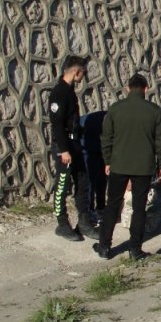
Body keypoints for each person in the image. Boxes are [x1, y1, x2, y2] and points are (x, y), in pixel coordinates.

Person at [96, 74, 161, 260]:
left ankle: (104, 246)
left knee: (112, 204)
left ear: (127, 88)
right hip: (143, 167)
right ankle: (135, 249)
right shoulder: (154, 111)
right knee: (139, 207)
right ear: (146, 88)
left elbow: (106, 138)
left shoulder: (115, 109)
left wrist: (107, 160)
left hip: (118, 165)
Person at [47, 55, 97, 241]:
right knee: (63, 183)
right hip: (64, 146)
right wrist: (64, 149)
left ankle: (84, 221)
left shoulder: (69, 91)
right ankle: (62, 223)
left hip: (74, 143)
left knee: (83, 182)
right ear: (76, 72)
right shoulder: (59, 93)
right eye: (83, 72)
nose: (84, 76)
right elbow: (57, 124)